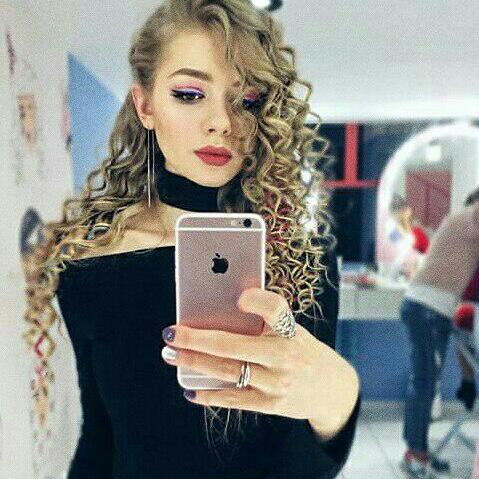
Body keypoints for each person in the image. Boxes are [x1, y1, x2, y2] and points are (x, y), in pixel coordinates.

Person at [22, 1, 360, 478]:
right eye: (189, 94)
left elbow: (304, 461)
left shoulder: (302, 258)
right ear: (145, 106)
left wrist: (339, 395)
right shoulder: (89, 262)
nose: (221, 122)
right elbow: (100, 437)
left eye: (247, 100)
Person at [400, 186, 479, 478]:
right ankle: (415, 455)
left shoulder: (459, 221)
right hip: (428, 309)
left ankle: (418, 450)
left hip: (431, 310)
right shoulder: (471, 217)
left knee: (426, 382)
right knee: (424, 383)